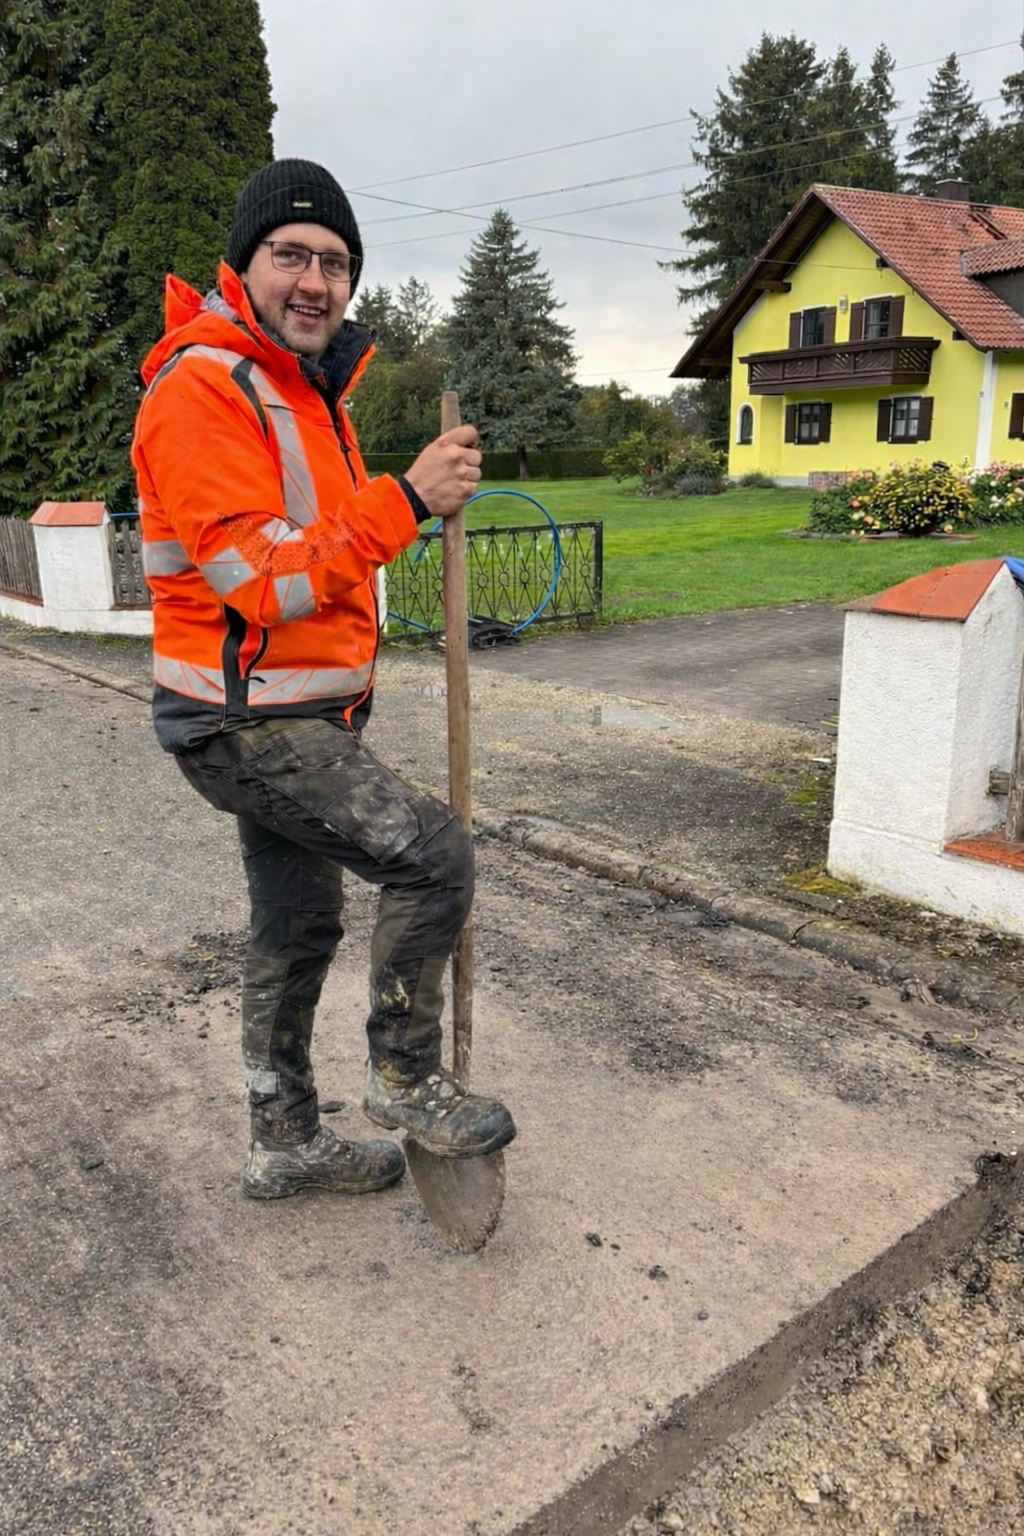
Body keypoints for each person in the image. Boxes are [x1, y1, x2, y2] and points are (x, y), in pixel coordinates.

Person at [132, 159, 515, 1200]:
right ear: (242, 265)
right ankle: (404, 1076)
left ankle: (286, 1142)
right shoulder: (203, 387)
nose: (316, 281)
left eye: (336, 263)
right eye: (290, 255)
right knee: (430, 856)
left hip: (298, 715)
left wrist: (401, 498)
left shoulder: (301, 394)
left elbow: (321, 544)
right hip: (245, 722)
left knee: (297, 929)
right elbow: (258, 578)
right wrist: (406, 497)